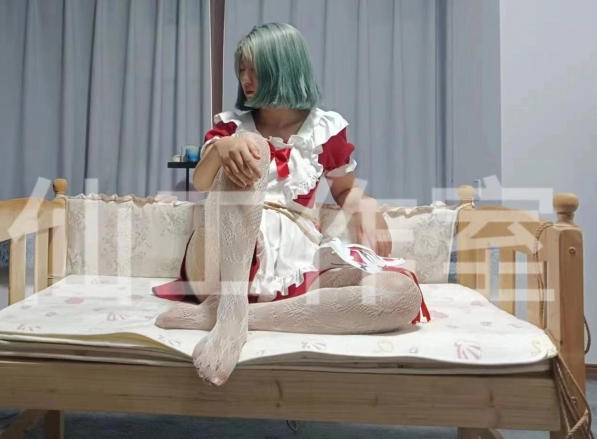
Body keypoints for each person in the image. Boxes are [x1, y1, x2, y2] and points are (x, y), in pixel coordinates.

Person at [153, 23, 426, 386]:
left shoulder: (325, 129)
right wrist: (222, 148)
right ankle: (230, 307)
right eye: (241, 70)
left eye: (255, 69)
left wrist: (367, 205)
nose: (245, 79)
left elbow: (345, 189)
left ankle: (232, 317)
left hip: (297, 263)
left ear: (284, 67)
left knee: (401, 296)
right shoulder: (231, 128)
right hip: (220, 261)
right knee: (252, 146)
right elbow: (202, 183)